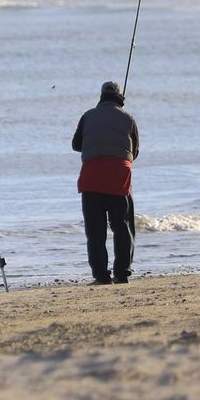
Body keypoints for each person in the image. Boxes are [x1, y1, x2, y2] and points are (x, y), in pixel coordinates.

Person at [72, 80, 140, 285]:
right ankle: (122, 273)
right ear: (119, 96)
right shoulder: (128, 118)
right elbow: (134, 152)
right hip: (119, 175)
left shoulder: (88, 115)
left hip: (92, 176)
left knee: (95, 231)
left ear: (101, 96)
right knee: (123, 226)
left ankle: (101, 276)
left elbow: (76, 145)